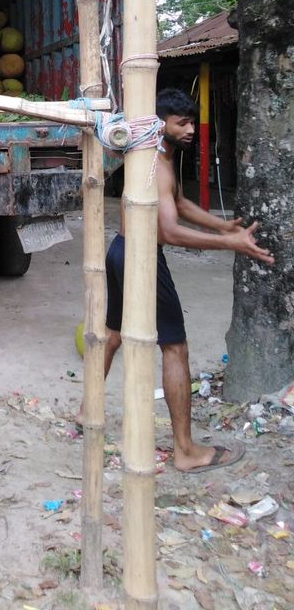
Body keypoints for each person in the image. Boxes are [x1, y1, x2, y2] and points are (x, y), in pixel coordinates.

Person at [103, 88, 274, 473]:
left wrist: (221, 222)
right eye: (182, 123)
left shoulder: (157, 155)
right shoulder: (158, 164)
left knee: (112, 333)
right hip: (141, 256)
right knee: (175, 348)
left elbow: (177, 204)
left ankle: (87, 411)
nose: (191, 130)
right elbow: (169, 231)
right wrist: (229, 242)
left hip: (120, 248)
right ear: (160, 122)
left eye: (190, 122)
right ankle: (185, 450)